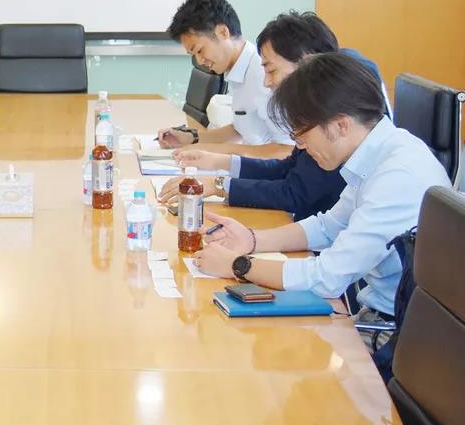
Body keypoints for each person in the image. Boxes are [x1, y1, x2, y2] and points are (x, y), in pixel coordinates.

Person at [191, 53, 450, 337]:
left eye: (302, 134)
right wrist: (252, 240)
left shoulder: (397, 176)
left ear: (341, 124)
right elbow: (329, 226)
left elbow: (327, 278)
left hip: (397, 333)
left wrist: (237, 265)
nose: (301, 147)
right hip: (376, 315)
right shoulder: (380, 151)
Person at [157, 11, 388, 221]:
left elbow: (295, 192)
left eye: (271, 70)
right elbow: (288, 168)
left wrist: (219, 185)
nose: (267, 82)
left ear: (307, 60)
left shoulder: (334, 108)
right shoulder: (314, 103)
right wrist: (219, 164)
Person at [155, 0, 293, 158]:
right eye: (194, 55)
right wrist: (191, 138)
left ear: (223, 32)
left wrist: (211, 151)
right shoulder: (238, 69)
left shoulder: (263, 74)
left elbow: (287, 150)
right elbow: (240, 128)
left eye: (200, 50)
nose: (199, 61)